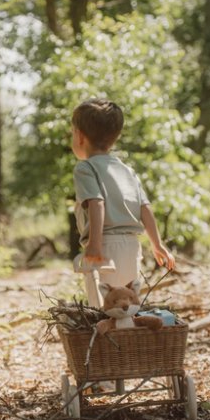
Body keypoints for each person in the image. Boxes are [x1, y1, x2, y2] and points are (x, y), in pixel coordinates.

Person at [71, 98, 175, 307]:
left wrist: (94, 245)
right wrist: (157, 244)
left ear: (80, 137)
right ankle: (129, 340)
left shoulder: (85, 168)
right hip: (131, 246)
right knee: (128, 305)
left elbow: (97, 203)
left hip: (104, 246)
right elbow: (145, 208)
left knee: (104, 307)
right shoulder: (127, 171)